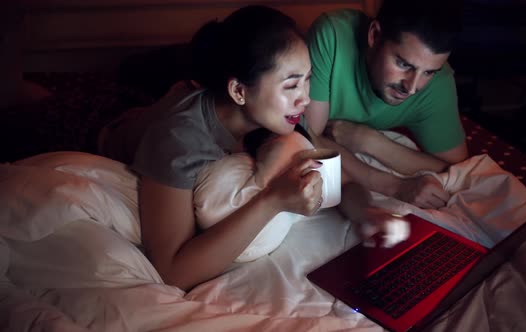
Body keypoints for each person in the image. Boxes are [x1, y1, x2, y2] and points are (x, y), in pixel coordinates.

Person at [98, 5, 403, 291]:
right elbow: (171, 270)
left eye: (308, 80)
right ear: (239, 91)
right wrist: (273, 200)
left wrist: (368, 215)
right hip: (109, 129)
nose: (305, 98)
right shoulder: (179, 140)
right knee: (129, 79)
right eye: (291, 85)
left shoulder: (282, 117)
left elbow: (341, 184)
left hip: (203, 94)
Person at [304, 0, 469, 209]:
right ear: (374, 35)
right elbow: (306, 139)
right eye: (403, 64)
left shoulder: (439, 82)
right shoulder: (333, 36)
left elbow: (459, 170)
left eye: (428, 72)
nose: (412, 87)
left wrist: (370, 141)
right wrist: (393, 186)